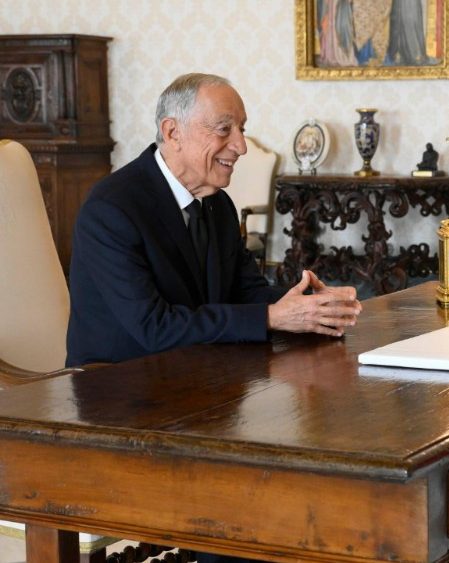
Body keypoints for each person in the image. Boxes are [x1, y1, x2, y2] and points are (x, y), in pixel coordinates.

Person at [67, 72, 362, 367]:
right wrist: (270, 317)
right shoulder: (111, 210)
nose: (241, 146)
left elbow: (246, 291)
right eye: (224, 129)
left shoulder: (217, 203)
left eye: (241, 129)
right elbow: (154, 327)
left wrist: (312, 304)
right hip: (117, 382)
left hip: (195, 368)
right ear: (173, 132)